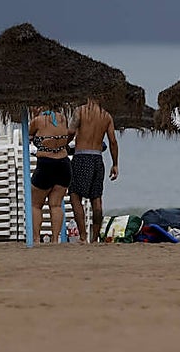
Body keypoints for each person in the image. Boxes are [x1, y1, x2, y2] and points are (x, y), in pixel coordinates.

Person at [67, 97, 119, 244]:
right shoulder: (106, 116)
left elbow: (71, 131)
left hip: (82, 157)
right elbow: (113, 141)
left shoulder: (80, 111)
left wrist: (64, 144)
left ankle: (83, 236)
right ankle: (95, 238)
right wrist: (115, 164)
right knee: (96, 199)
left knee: (75, 195)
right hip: (98, 158)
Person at [28, 106, 73, 243]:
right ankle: (55, 239)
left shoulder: (38, 121)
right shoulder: (63, 119)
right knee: (56, 205)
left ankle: (36, 239)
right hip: (64, 164)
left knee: (35, 204)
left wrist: (33, 116)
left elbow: (29, 135)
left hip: (46, 164)